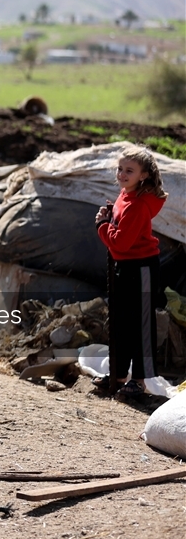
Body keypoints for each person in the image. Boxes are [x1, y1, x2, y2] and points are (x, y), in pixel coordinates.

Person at [94, 145, 167, 400]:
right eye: (120, 169)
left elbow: (121, 242)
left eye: (129, 171)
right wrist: (109, 218)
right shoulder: (125, 194)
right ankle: (119, 374)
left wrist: (102, 226)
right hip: (124, 265)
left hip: (142, 267)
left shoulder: (138, 204)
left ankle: (139, 380)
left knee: (141, 324)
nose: (122, 175)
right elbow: (119, 232)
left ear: (144, 175)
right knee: (121, 323)